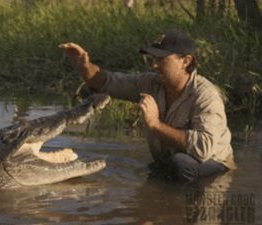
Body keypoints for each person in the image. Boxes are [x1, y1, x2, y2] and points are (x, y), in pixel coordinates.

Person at [59, 28, 236, 183]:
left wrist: (155, 124)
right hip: (173, 160)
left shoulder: (206, 96)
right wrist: (84, 67)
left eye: (161, 59)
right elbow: (108, 82)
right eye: (153, 58)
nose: (154, 65)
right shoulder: (149, 83)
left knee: (181, 165)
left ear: (186, 61)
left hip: (213, 165)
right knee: (161, 171)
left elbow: (203, 149)